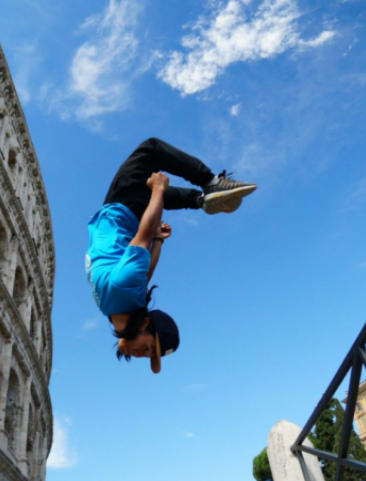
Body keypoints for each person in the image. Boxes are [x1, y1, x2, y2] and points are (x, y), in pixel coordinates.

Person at [85, 138, 257, 373]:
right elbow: (144, 235)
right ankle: (211, 183)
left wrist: (158, 242)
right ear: (145, 324)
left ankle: (200, 200)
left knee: (152, 194)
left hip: (129, 216)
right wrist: (158, 192)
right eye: (147, 349)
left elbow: (146, 273)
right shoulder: (123, 289)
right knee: (152, 149)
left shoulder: (126, 305)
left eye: (147, 355)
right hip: (121, 209)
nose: (139, 355)